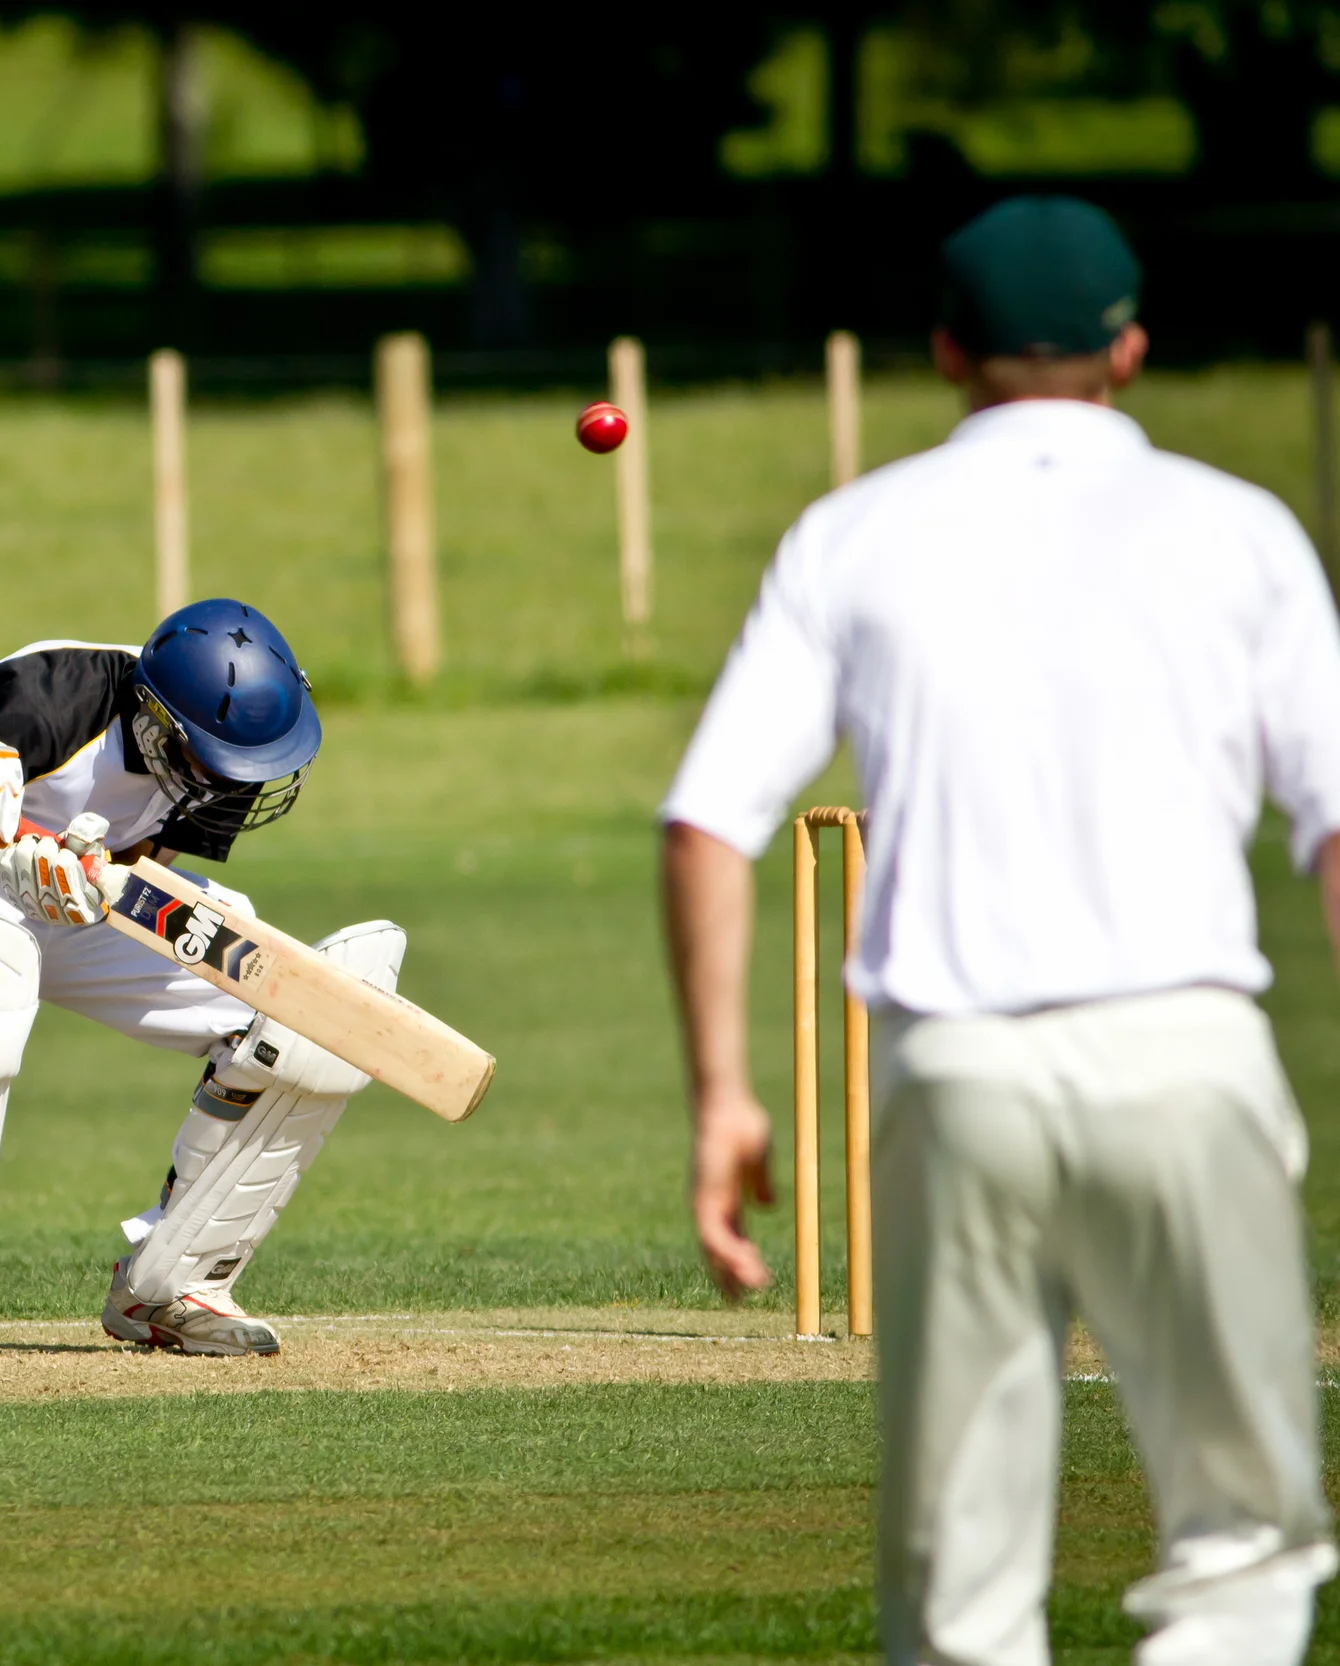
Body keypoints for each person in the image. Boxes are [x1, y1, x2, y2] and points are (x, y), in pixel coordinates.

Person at [659, 195, 1340, 1665]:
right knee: (1245, 1542)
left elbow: (708, 818)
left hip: (955, 1072)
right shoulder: (1243, 531)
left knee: (959, 1584)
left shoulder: (855, 533)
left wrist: (722, 1095)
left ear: (946, 349)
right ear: (1131, 350)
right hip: (1186, 1055)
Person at [0, 599, 405, 1361]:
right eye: (210, 762)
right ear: (154, 723)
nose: (227, 780)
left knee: (295, 1015)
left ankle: (172, 1284)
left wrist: (85, 876)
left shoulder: (230, 753)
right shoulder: (53, 696)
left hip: (82, 898)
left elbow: (141, 862)